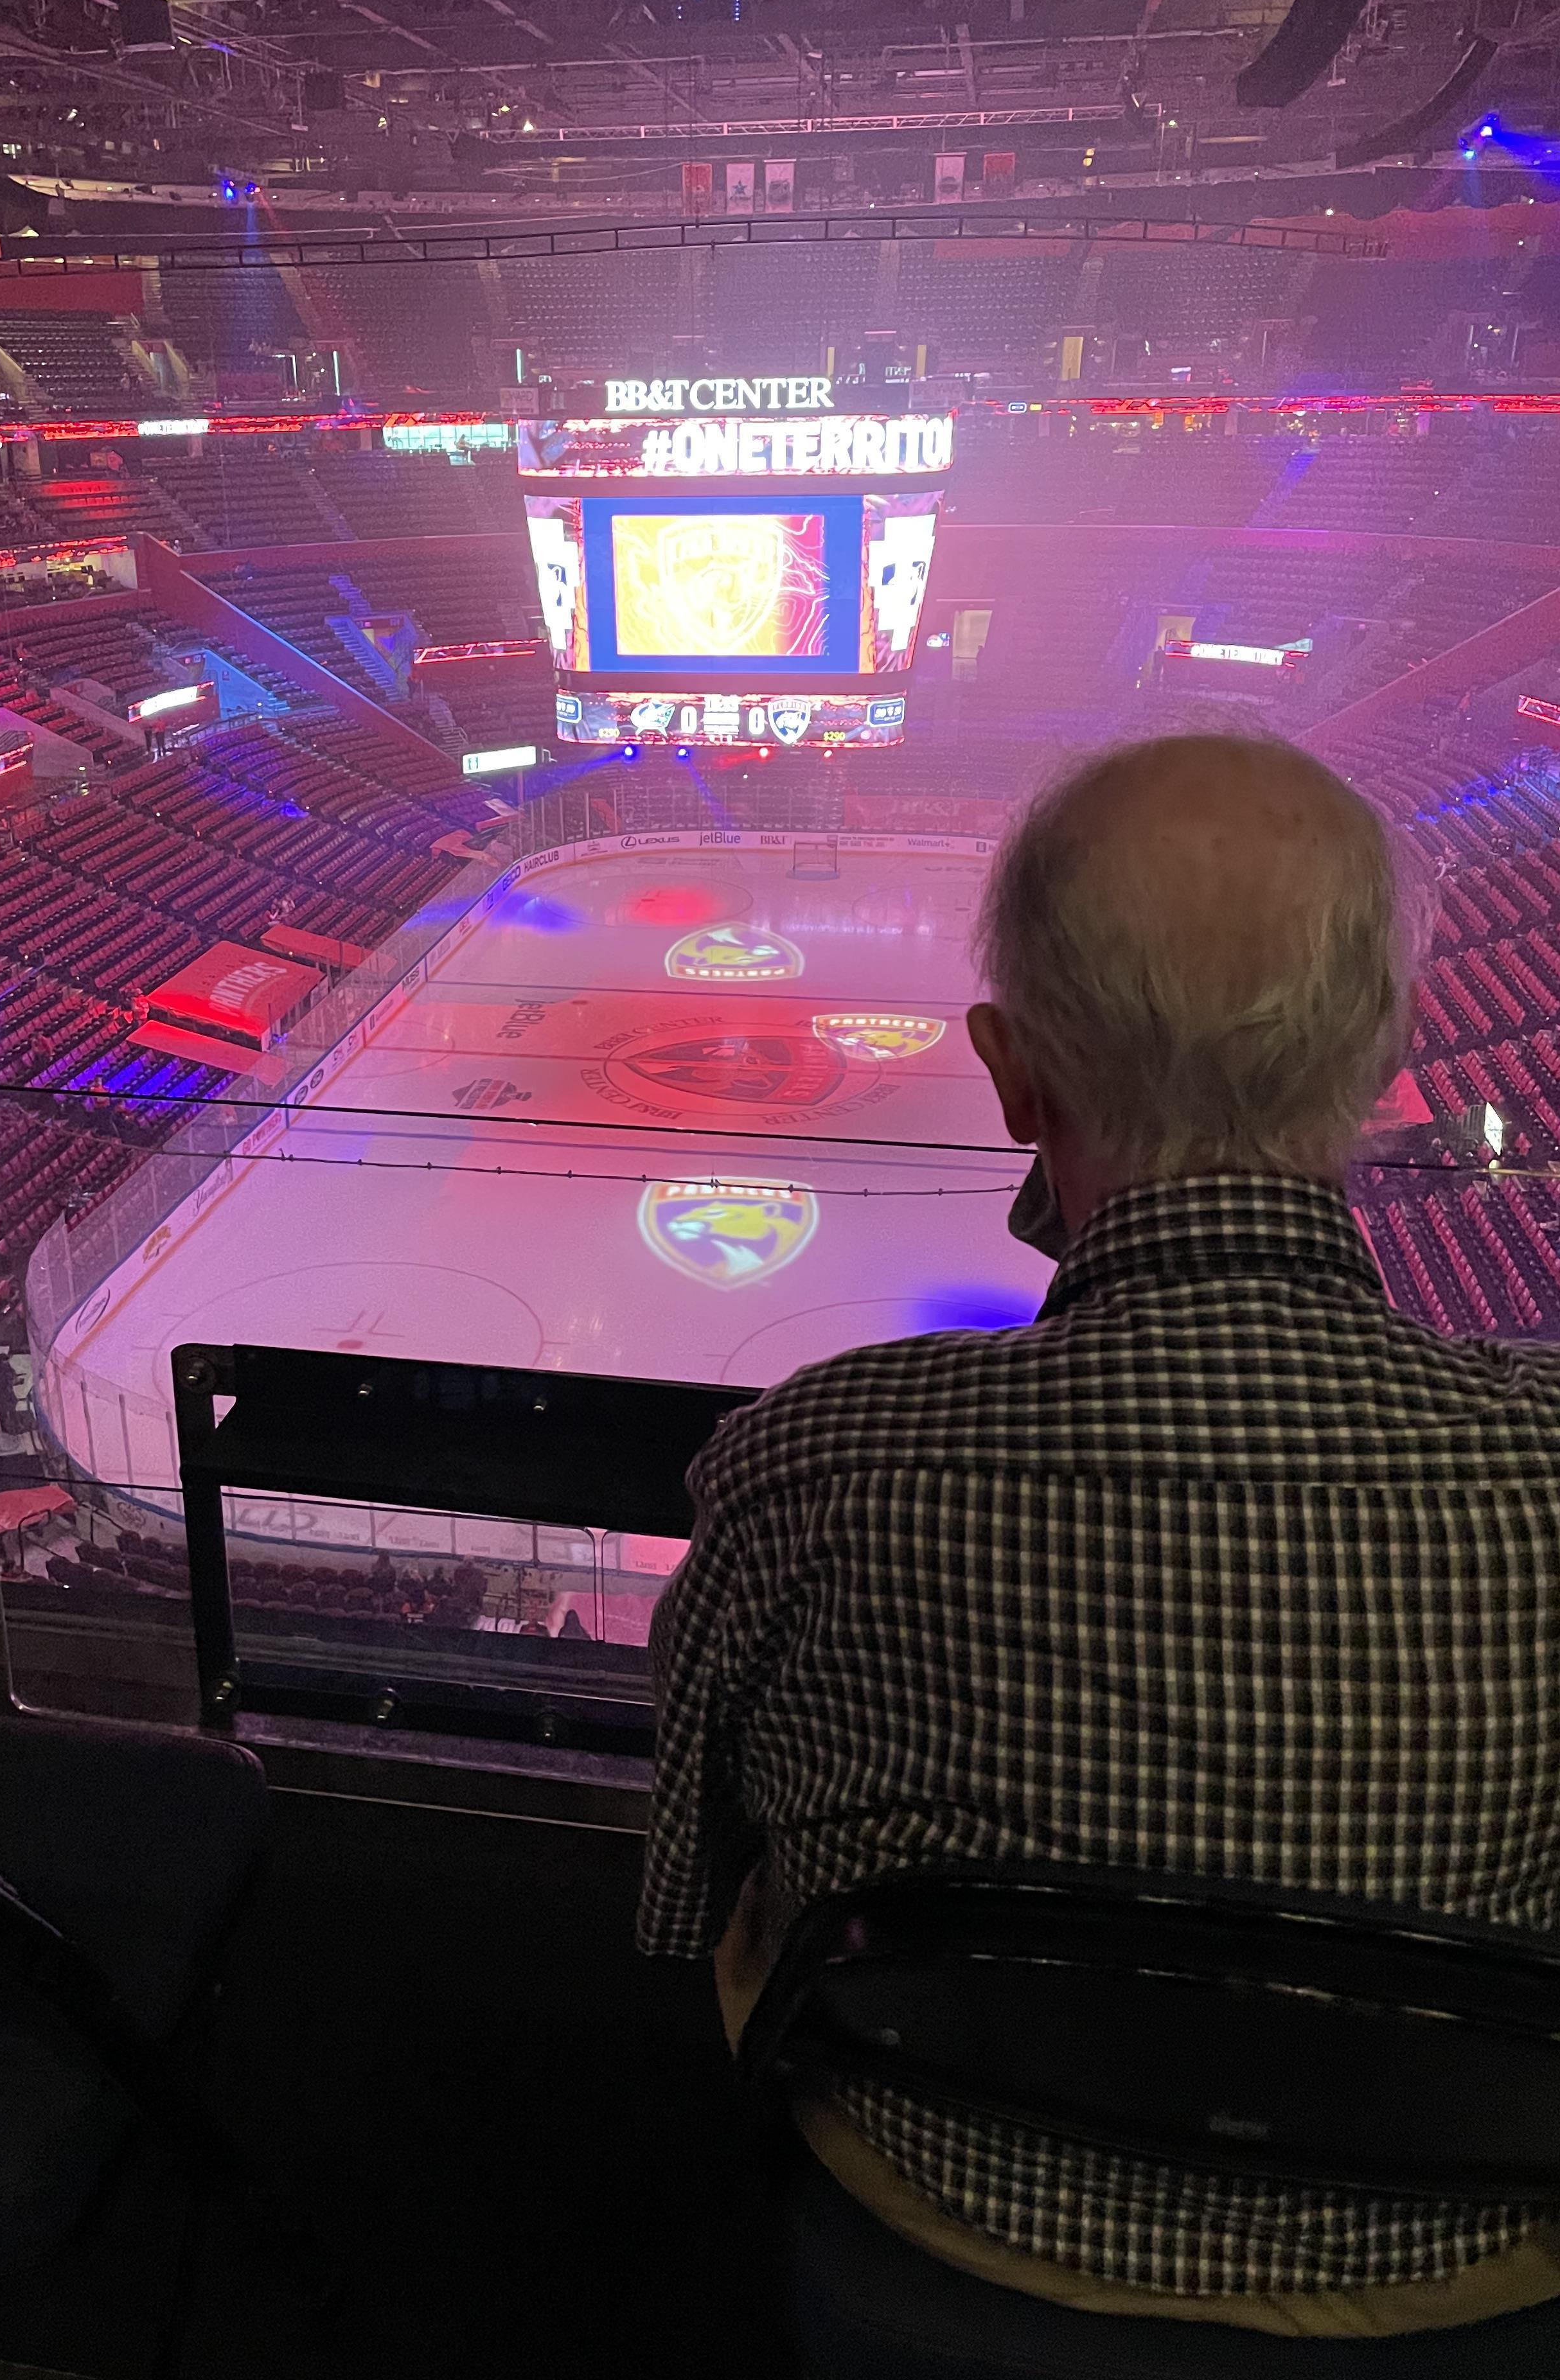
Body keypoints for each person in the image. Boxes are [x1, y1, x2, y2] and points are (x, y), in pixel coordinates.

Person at [640, 734, 1560, 2376]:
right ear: (1390, 1048)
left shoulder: (816, 1457)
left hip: (935, 2224)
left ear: (1010, 1071)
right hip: (1463, 2265)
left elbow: (677, 1905)